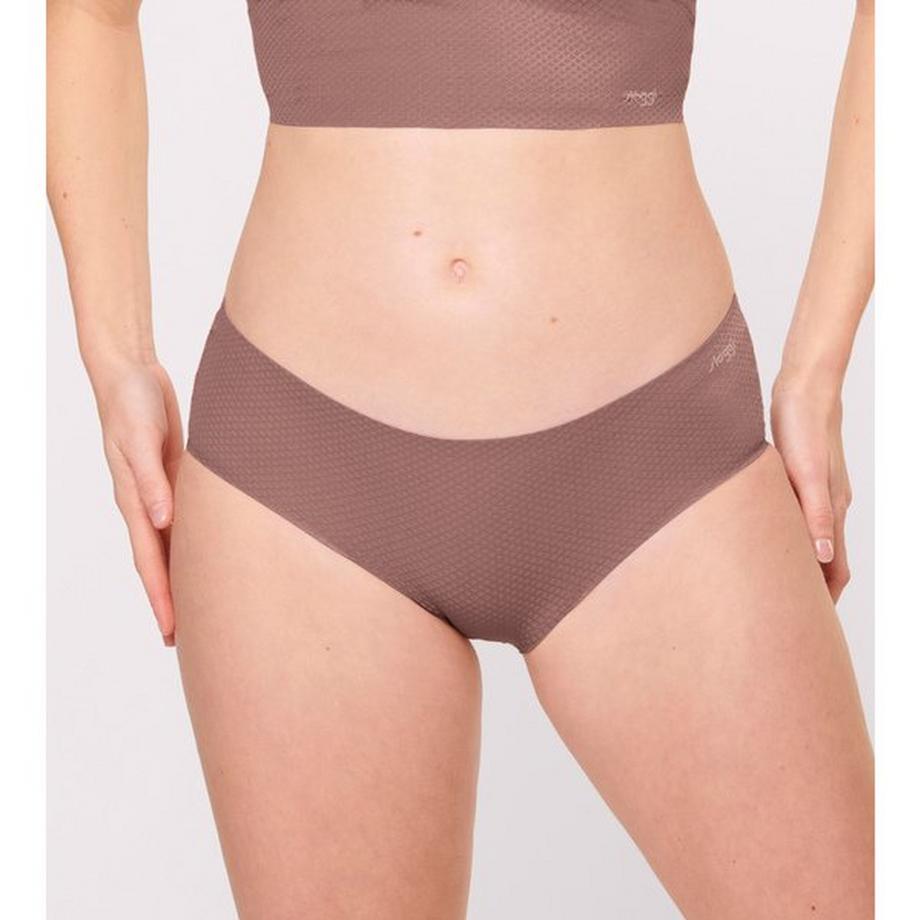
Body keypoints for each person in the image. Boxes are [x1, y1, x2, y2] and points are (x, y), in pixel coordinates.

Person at [47, 1, 874, 917]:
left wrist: (818, 368)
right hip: (302, 475)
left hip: (656, 458)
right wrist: (116, 356)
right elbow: (93, 14)